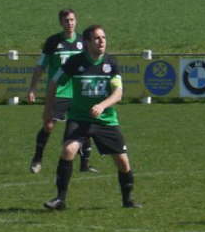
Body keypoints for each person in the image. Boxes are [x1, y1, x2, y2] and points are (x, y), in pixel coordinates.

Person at [42, 25, 141, 210]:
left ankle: (128, 200)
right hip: (79, 118)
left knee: (122, 162)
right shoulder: (74, 62)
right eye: (97, 38)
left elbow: (118, 93)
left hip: (105, 120)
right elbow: (54, 82)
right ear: (87, 43)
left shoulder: (111, 63)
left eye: (103, 37)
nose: (102, 41)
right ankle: (60, 199)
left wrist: (102, 105)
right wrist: (48, 110)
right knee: (68, 150)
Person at [27, 9, 96, 174]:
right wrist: (32, 88)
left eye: (72, 20)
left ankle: (85, 164)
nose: (70, 23)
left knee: (85, 126)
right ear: (61, 23)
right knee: (49, 125)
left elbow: (91, 65)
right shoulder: (53, 42)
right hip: (59, 92)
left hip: (79, 93)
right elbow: (40, 66)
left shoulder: (83, 42)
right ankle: (37, 159)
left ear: (76, 21)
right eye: (66, 20)